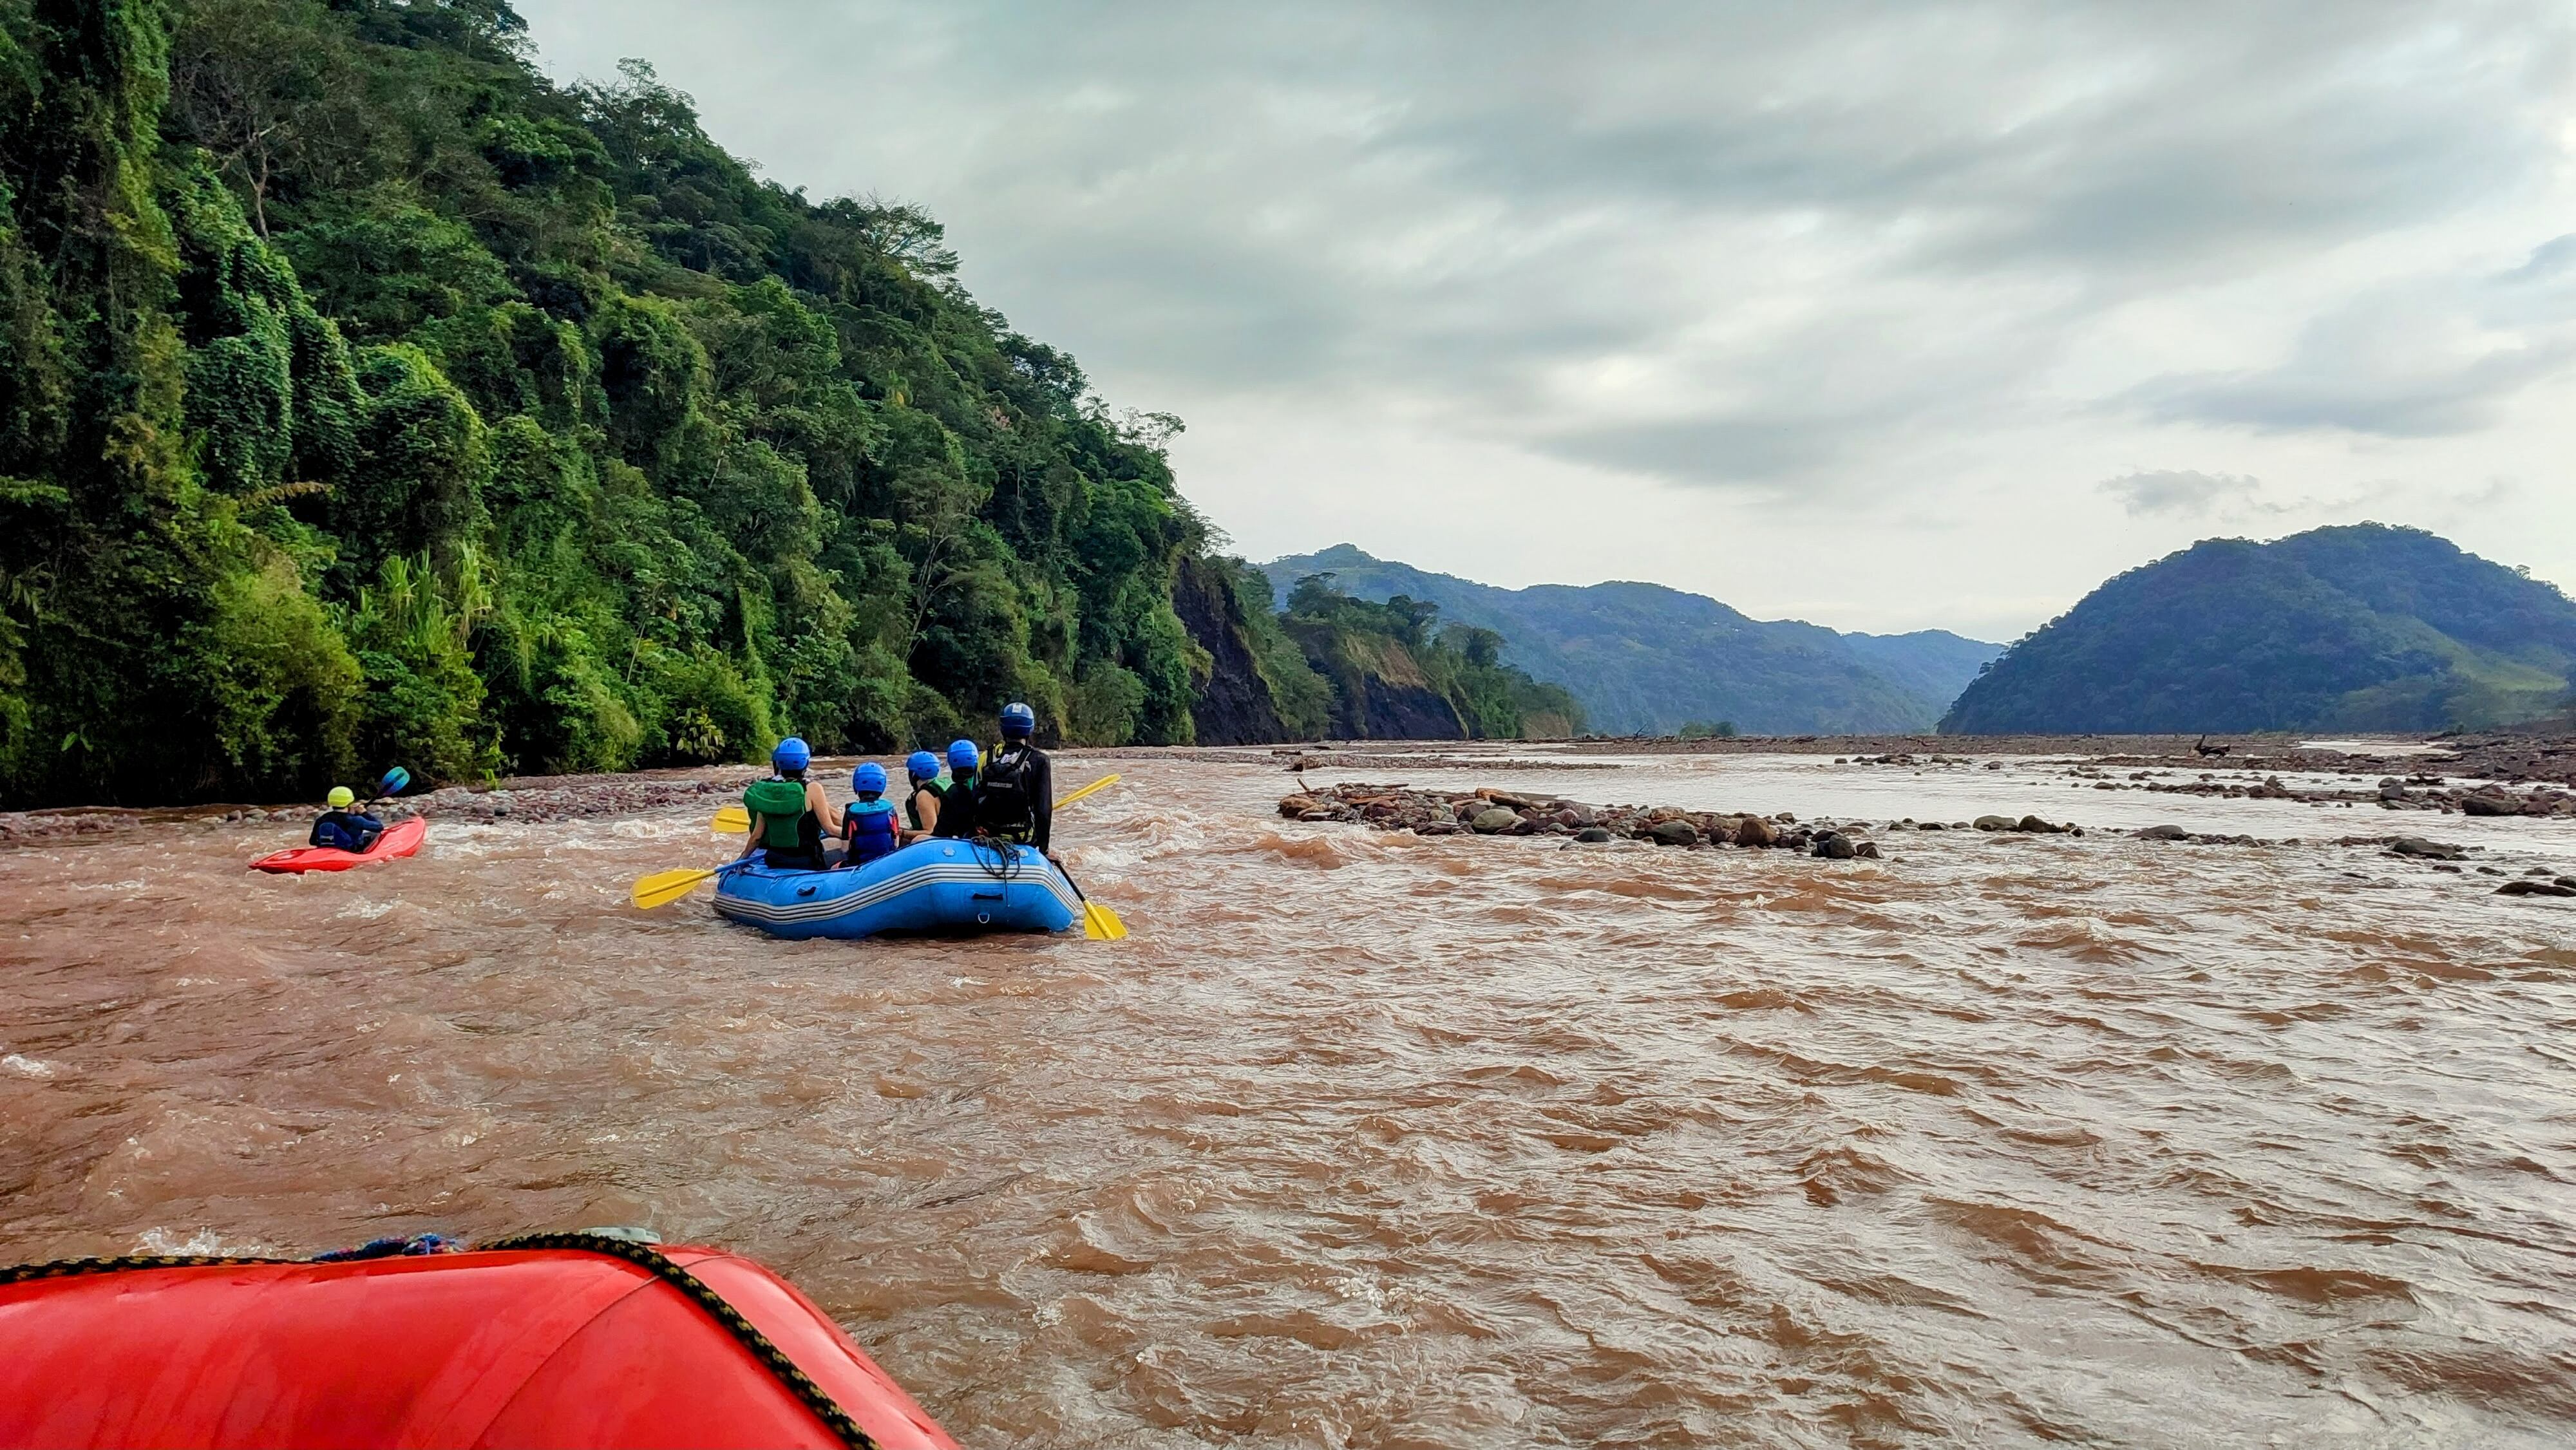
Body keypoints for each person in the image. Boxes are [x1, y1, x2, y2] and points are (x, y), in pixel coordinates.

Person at [739, 737, 838, 871]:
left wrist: (743, 858)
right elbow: (830, 829)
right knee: (845, 854)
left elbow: (757, 837)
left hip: (774, 860)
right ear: (806, 763)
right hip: (807, 861)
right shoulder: (813, 789)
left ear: (779, 763)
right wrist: (857, 833)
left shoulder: (767, 792)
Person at [976, 701, 1055, 856]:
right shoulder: (1039, 760)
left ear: (1003, 728)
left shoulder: (986, 757)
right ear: (1030, 729)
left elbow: (976, 797)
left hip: (988, 837)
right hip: (1023, 839)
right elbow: (1043, 810)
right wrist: (1044, 851)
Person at [840, 762, 902, 867]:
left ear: (856, 785)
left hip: (860, 863)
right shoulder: (891, 810)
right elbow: (896, 844)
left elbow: (845, 849)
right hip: (887, 860)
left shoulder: (851, 812)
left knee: (833, 867)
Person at [929, 739, 982, 840]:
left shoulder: (952, 793)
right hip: (993, 840)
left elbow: (941, 834)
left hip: (968, 844)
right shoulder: (987, 783)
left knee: (918, 839)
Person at [310, 786, 384, 853]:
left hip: (324, 852)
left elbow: (312, 842)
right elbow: (379, 827)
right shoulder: (356, 820)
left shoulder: (321, 819)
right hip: (349, 852)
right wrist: (364, 813)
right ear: (350, 803)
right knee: (375, 834)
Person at [900, 749, 944, 843]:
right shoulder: (941, 783)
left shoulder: (924, 795)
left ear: (914, 774)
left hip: (941, 842)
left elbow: (930, 832)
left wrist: (903, 833)